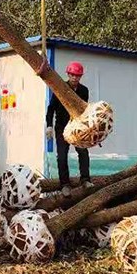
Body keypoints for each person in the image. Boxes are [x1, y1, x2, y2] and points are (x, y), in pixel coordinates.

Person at [45, 61, 92, 197]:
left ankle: (85, 180)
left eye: (77, 76)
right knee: (62, 156)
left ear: (80, 77)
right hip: (62, 127)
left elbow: (84, 110)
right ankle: (64, 184)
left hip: (77, 126)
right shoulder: (61, 87)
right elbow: (51, 109)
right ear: (68, 74)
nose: (75, 78)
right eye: (72, 75)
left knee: (83, 152)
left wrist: (89, 127)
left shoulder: (84, 90)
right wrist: (49, 126)